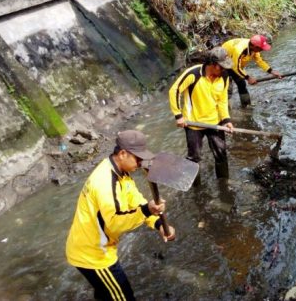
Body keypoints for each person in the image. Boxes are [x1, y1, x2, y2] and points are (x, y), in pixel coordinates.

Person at [66, 130, 175, 301]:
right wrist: (147, 210)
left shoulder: (118, 171)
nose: (140, 164)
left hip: (91, 244)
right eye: (138, 159)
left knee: (106, 292)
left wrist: (158, 224)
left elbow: (135, 200)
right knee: (123, 296)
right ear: (123, 154)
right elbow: (116, 223)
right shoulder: (105, 183)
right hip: (94, 253)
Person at [169, 47, 234, 181]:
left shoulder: (224, 77)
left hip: (215, 123)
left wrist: (226, 119)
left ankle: (224, 183)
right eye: (221, 67)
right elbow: (174, 90)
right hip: (194, 124)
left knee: (221, 154)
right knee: (194, 157)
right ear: (213, 64)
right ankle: (195, 186)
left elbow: (222, 100)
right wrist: (178, 116)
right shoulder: (193, 74)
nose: (223, 70)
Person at [222, 35, 282, 108]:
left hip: (234, 63)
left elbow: (259, 61)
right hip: (223, 63)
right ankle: (225, 109)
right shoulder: (239, 50)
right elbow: (235, 67)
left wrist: (271, 71)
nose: (262, 50)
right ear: (254, 46)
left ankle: (246, 105)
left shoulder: (254, 49)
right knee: (226, 87)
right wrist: (248, 78)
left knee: (241, 84)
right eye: (261, 49)